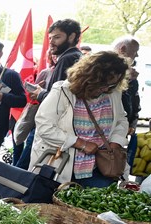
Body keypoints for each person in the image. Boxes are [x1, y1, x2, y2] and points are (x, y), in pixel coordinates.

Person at [30, 51, 130, 187]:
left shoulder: (113, 93)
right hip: (62, 166)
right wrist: (80, 143)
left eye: (112, 84)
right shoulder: (62, 91)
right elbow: (44, 127)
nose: (106, 88)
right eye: (103, 84)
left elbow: (121, 120)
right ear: (90, 78)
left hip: (100, 167)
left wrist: (115, 142)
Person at [20, 19, 83, 169]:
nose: (51, 42)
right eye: (50, 38)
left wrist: (40, 94)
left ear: (72, 37)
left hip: (52, 128)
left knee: (24, 174)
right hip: (61, 131)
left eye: (57, 37)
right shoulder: (75, 57)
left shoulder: (68, 58)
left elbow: (59, 101)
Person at [113, 36, 140, 172]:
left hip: (120, 131)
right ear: (123, 49)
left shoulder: (132, 77)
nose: (137, 56)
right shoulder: (106, 72)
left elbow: (134, 104)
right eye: (135, 52)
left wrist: (132, 124)